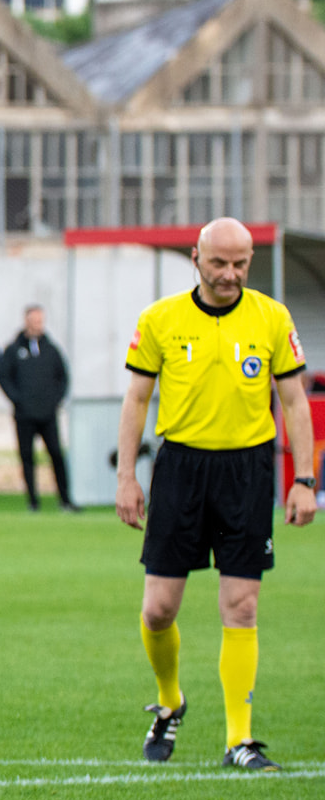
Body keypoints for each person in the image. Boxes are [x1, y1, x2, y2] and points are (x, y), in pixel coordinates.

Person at [117, 217, 315, 772]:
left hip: (247, 471)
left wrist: (304, 479)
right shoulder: (161, 319)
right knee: (158, 610)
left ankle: (239, 740)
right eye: (220, 264)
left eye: (241, 265)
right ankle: (171, 701)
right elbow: (136, 399)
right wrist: (127, 476)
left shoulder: (272, 316)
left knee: (242, 606)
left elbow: (295, 402)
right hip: (180, 469)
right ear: (196, 259)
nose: (230, 275)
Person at [0, 304, 75, 512]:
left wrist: (55, 400)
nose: (37, 325)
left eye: (40, 321)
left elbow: (63, 377)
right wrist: (18, 400)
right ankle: (33, 500)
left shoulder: (51, 349)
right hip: (24, 414)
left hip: (48, 414)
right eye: (34, 321)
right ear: (26, 322)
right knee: (27, 456)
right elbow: (4, 377)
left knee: (56, 454)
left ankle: (65, 499)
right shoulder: (14, 349)